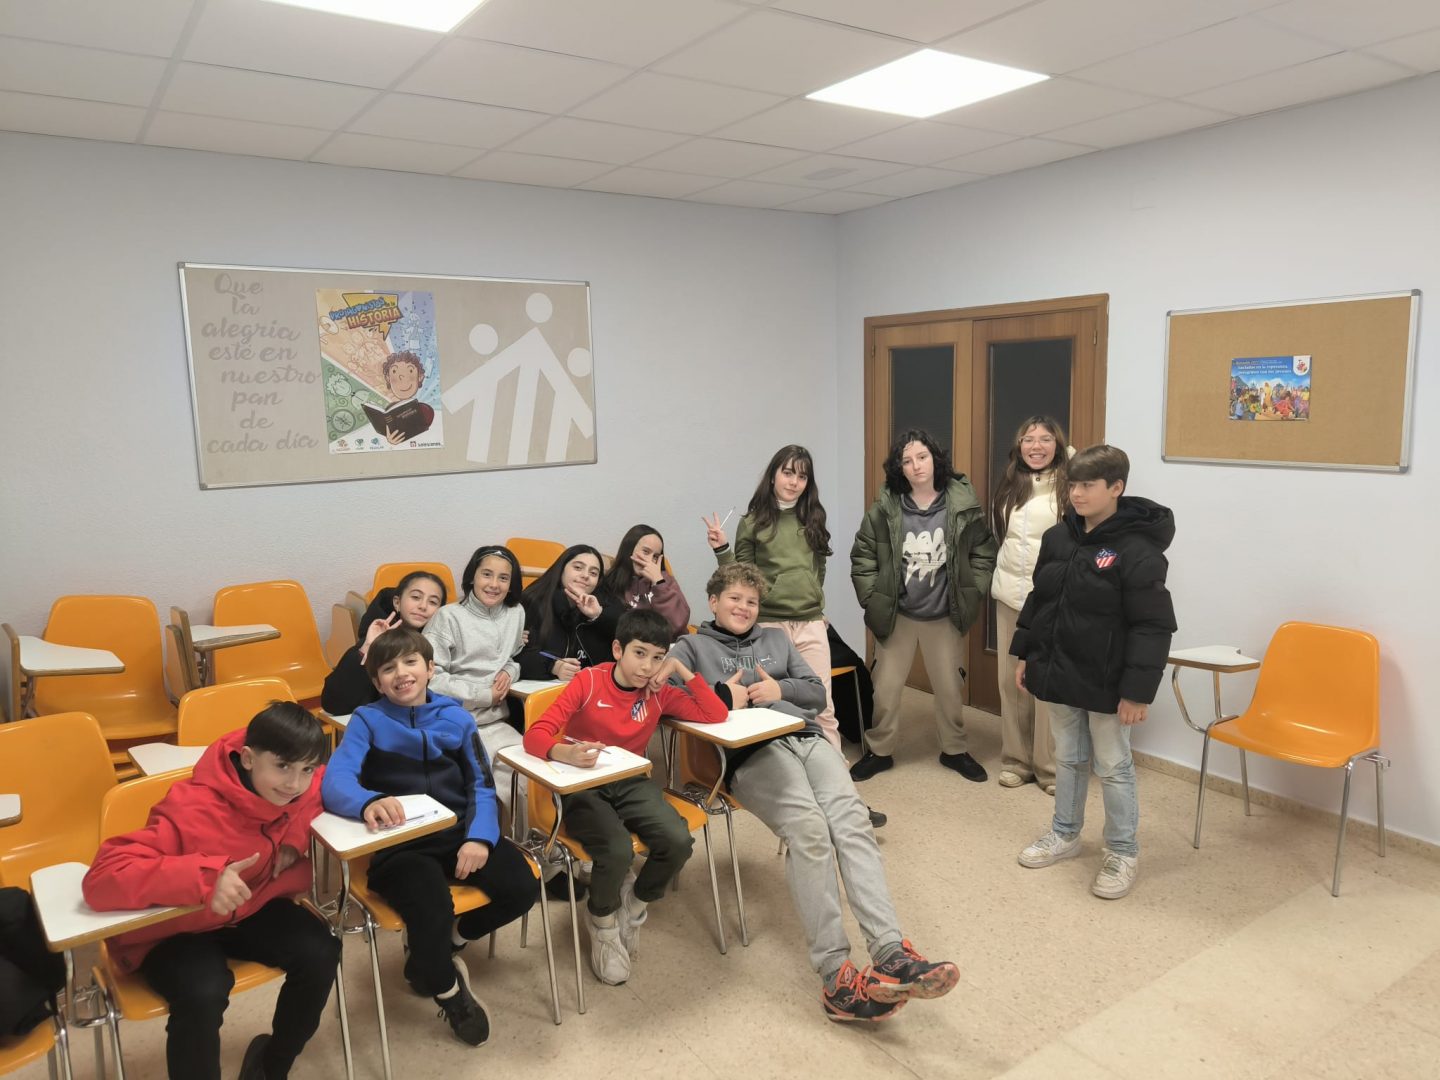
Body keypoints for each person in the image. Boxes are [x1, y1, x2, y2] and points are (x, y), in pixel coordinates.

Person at [669, 563, 958, 1022]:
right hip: (750, 753)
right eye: (734, 599)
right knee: (809, 829)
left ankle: (890, 953)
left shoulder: (776, 640)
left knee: (852, 821)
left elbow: (815, 694)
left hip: (805, 738)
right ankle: (835, 977)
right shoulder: (691, 647)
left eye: (752, 601)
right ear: (714, 602)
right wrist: (725, 697)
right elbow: (664, 698)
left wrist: (777, 687)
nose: (744, 608)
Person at [82, 703, 337, 1080]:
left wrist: (294, 838)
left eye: (305, 770)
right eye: (283, 766)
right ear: (247, 759)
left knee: (321, 951)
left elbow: (318, 784)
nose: (293, 784)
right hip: (176, 928)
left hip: (248, 908)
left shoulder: (295, 786)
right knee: (203, 990)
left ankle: (271, 1066)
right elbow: (101, 879)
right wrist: (203, 879)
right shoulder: (190, 807)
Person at [322, 628, 539, 1046]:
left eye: (410, 662)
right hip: (400, 845)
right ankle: (449, 992)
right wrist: (368, 802)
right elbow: (335, 782)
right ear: (377, 682)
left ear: (430, 669)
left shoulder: (457, 719)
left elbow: (481, 785)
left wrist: (479, 838)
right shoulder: (367, 720)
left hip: (457, 833)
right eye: (388, 669)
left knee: (522, 886)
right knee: (431, 909)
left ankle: (453, 942)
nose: (401, 674)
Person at [523, 608, 726, 986]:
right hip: (582, 785)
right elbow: (535, 736)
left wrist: (680, 670)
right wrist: (564, 752)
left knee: (678, 841)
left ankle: (633, 907)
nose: (647, 667)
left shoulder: (659, 692)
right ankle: (602, 921)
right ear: (618, 649)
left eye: (658, 657)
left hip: (631, 781)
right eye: (639, 653)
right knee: (616, 850)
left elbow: (714, 714)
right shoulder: (589, 681)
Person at [1012, 445, 1176, 901]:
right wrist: (1026, 654)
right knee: (1068, 757)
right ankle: (1065, 833)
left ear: (1116, 487)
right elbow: (1040, 599)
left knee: (1113, 765)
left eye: (1088, 485)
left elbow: (1152, 625)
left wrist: (1137, 692)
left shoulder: (1138, 550)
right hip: (1059, 668)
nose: (1077, 494)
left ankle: (1122, 851)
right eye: (1073, 485)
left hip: (1108, 679)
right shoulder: (1058, 538)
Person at [849, 429, 997, 783]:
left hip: (944, 615)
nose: (916, 466)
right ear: (899, 468)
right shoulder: (885, 508)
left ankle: (954, 750)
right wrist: (873, 599)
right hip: (896, 614)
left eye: (922, 457)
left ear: (935, 459)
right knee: (885, 688)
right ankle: (880, 750)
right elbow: (863, 556)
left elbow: (984, 552)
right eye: (907, 460)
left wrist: (972, 591)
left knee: (949, 688)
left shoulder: (961, 504)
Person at [989, 416, 1071, 795]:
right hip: (1010, 596)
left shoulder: (1069, 487)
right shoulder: (1010, 486)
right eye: (1028, 439)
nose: (1036, 446)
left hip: (1052, 600)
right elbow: (1000, 537)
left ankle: (1049, 767)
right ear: (1018, 445)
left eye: (1045, 439)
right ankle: (1016, 760)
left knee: (1046, 684)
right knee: (1011, 682)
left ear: (1058, 445)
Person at [424, 545, 526, 819]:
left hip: (496, 723)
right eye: (486, 574)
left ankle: (523, 839)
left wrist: (509, 671)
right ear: (472, 576)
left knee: (529, 777)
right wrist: (484, 695)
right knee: (473, 790)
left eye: (503, 578)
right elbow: (430, 678)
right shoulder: (448, 616)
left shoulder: (516, 613)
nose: (494, 584)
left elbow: (514, 656)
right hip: (454, 722)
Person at [321, 570, 447, 715]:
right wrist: (368, 648)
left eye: (433, 602)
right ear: (397, 602)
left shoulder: (441, 641)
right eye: (415, 597)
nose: (423, 606)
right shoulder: (377, 637)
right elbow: (333, 704)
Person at [516, 544, 615, 682]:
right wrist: (553, 666)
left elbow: (621, 645)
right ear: (561, 569)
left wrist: (599, 616)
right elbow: (516, 656)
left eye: (593, 573)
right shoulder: (533, 600)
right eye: (578, 568)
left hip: (587, 687)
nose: (585, 576)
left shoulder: (601, 606)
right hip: (541, 688)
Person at [597, 523, 691, 636]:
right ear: (629, 550)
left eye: (655, 556)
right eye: (646, 552)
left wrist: (659, 583)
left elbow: (677, 624)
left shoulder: (665, 580)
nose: (650, 560)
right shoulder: (610, 581)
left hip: (666, 643)